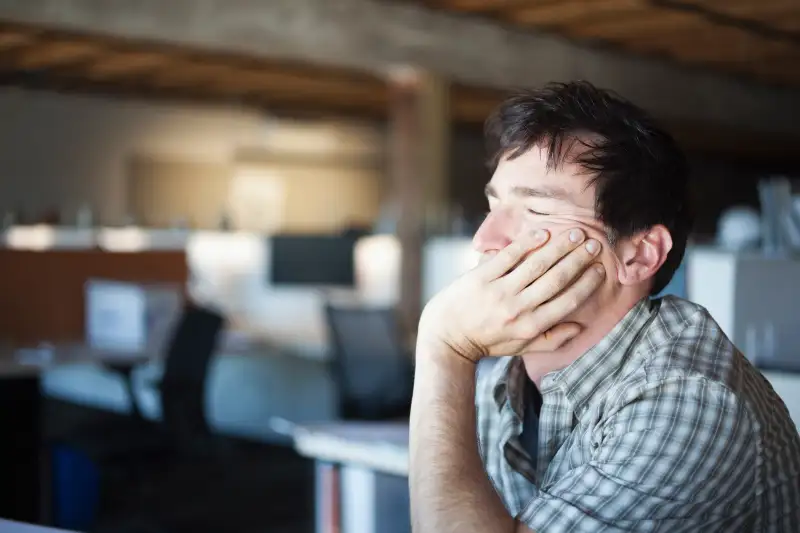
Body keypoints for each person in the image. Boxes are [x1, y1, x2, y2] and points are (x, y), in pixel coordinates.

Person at [409, 81, 800, 533]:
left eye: (537, 212)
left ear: (639, 255)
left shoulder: (691, 400)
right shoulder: (503, 379)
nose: (485, 241)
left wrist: (443, 347)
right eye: (492, 206)